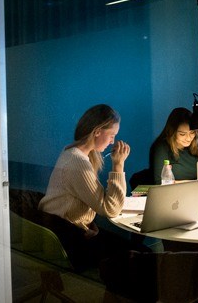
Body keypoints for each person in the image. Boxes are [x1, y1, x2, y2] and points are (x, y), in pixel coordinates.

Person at [38, 104, 149, 271]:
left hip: (66, 230)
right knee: (142, 255)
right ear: (97, 131)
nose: (113, 141)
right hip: (67, 238)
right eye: (112, 135)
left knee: (137, 252)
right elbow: (110, 209)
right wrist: (118, 165)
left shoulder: (73, 152)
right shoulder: (78, 163)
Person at [149, 107, 198, 184]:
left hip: (195, 193)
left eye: (192, 133)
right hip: (171, 194)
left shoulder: (194, 148)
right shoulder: (161, 148)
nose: (188, 138)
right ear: (172, 132)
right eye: (182, 134)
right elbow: (160, 183)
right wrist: (195, 183)